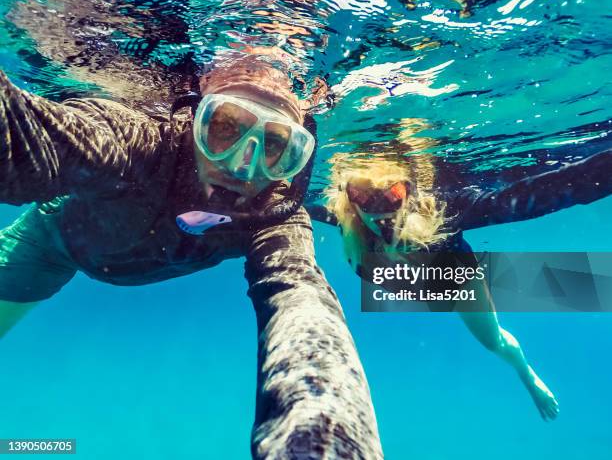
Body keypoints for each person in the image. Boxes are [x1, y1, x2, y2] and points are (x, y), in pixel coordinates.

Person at [0, 57, 383, 459]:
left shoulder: (275, 214)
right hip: (51, 246)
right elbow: (27, 135)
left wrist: (327, 438)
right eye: (224, 128)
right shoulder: (140, 142)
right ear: (196, 116)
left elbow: (302, 301)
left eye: (273, 146)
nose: (240, 164)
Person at [308, 118, 611, 422]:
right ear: (348, 198)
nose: (378, 208)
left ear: (410, 192)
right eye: (362, 194)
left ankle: (527, 374)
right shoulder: (345, 219)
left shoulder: (444, 212)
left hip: (453, 278)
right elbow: (291, 198)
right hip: (403, 280)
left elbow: (528, 199)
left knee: (495, 341)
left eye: (392, 194)